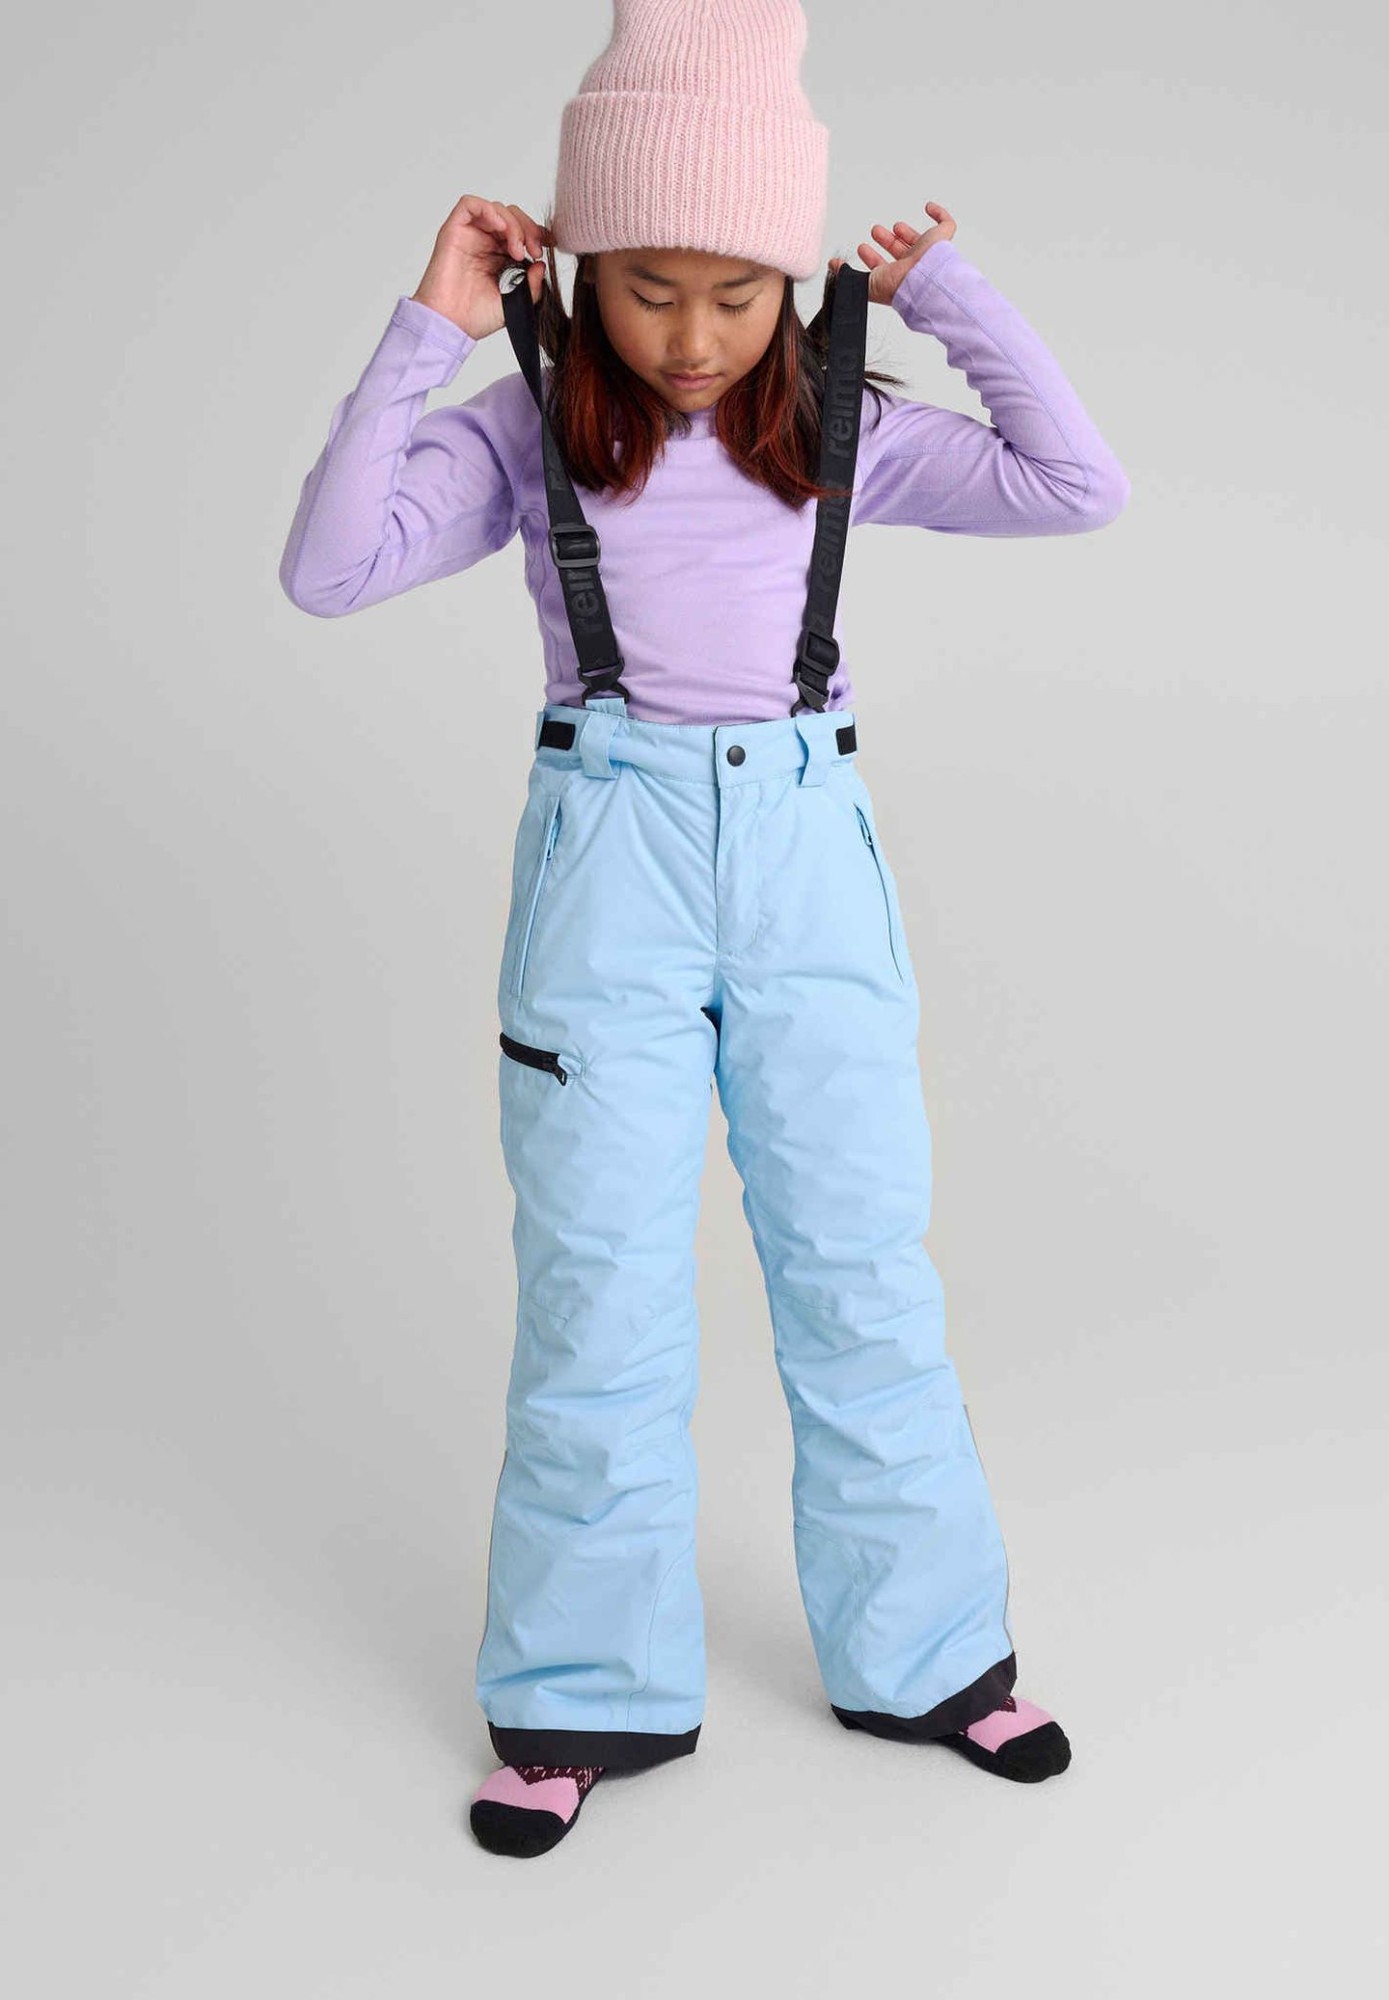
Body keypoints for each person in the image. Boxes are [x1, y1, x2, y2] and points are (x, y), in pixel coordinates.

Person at [279, 0, 1129, 1861]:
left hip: (809, 861)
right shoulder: (530, 428)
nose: (687, 337)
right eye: (646, 290)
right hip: (611, 867)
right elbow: (328, 569)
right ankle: (577, 1698)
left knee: (859, 1271)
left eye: (736, 294)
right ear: (579, 278)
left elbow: (1078, 485)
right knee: (599, 1293)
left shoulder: (837, 426)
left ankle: (930, 1661)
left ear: (793, 286)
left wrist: (951, 298)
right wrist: (429, 321)